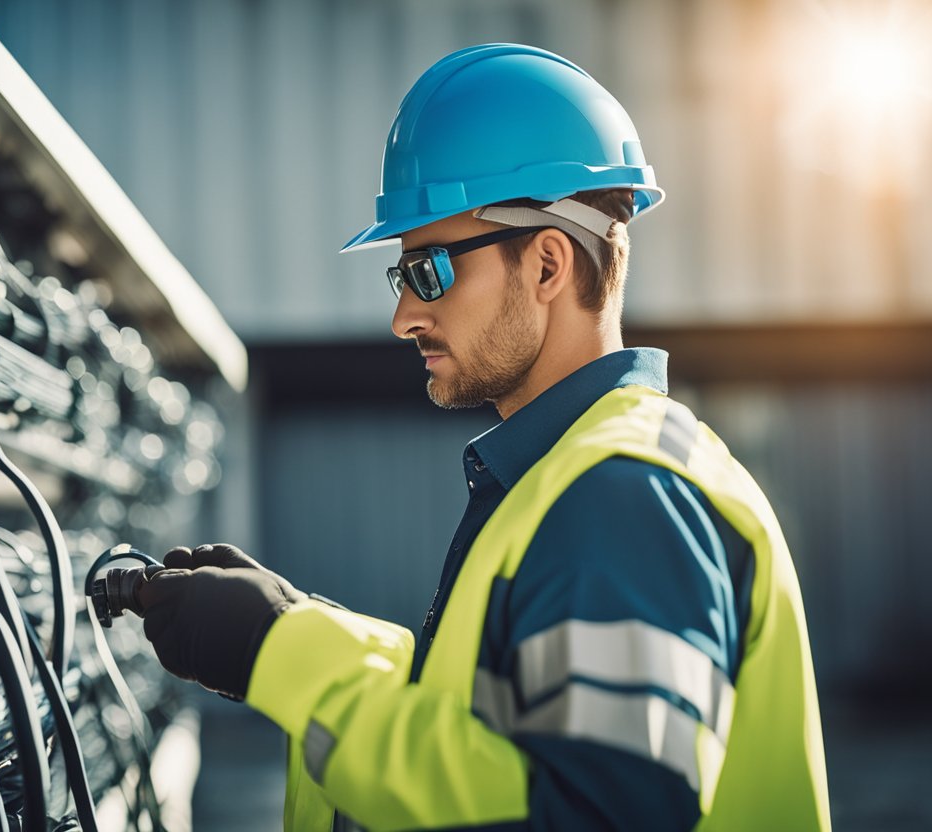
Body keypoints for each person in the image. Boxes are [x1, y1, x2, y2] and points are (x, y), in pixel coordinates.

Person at [133, 44, 831, 830]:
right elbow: (488, 744)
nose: (403, 317)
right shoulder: (572, 482)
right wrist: (292, 622)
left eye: (429, 270)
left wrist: (282, 655)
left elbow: (594, 815)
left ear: (547, 264)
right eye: (402, 278)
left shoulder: (626, 495)